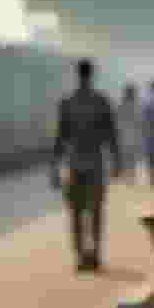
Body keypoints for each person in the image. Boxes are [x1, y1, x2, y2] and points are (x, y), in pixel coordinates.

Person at [52, 59, 123, 272]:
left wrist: (54, 167)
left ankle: (80, 256)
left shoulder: (67, 102)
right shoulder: (101, 102)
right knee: (95, 212)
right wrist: (117, 161)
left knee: (75, 213)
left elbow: (60, 138)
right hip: (95, 163)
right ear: (92, 75)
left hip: (73, 164)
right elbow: (111, 135)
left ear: (77, 74)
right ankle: (95, 254)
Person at [117, 84, 141, 185]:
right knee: (132, 159)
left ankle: (128, 178)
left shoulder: (121, 106)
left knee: (126, 159)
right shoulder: (137, 107)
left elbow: (117, 122)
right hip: (134, 136)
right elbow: (140, 122)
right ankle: (132, 178)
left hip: (123, 136)